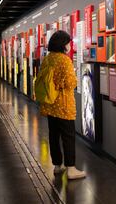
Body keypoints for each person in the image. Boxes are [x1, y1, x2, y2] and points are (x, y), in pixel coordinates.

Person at [38, 30, 86, 180]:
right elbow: (70, 83)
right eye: (68, 43)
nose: (69, 45)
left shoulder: (48, 58)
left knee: (54, 135)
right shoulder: (64, 60)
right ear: (63, 44)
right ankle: (71, 168)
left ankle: (58, 165)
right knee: (68, 136)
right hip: (64, 105)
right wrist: (73, 74)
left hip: (50, 104)